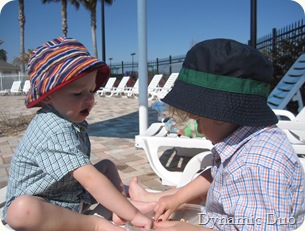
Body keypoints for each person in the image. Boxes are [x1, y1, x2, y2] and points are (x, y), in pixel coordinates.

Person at [129, 38, 305, 230]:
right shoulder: (245, 139)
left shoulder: (257, 166)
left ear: (220, 115)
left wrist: (186, 228)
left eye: (198, 121)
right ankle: (156, 199)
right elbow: (219, 174)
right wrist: (176, 198)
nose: (199, 130)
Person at [1, 37, 153, 231]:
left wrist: (127, 210)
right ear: (47, 97)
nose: (89, 98)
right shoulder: (52, 129)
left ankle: (120, 208)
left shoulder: (67, 118)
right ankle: (95, 224)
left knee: (106, 165)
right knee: (21, 210)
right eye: (78, 93)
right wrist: (135, 217)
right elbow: (89, 179)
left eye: (91, 90)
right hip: (42, 202)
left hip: (64, 192)